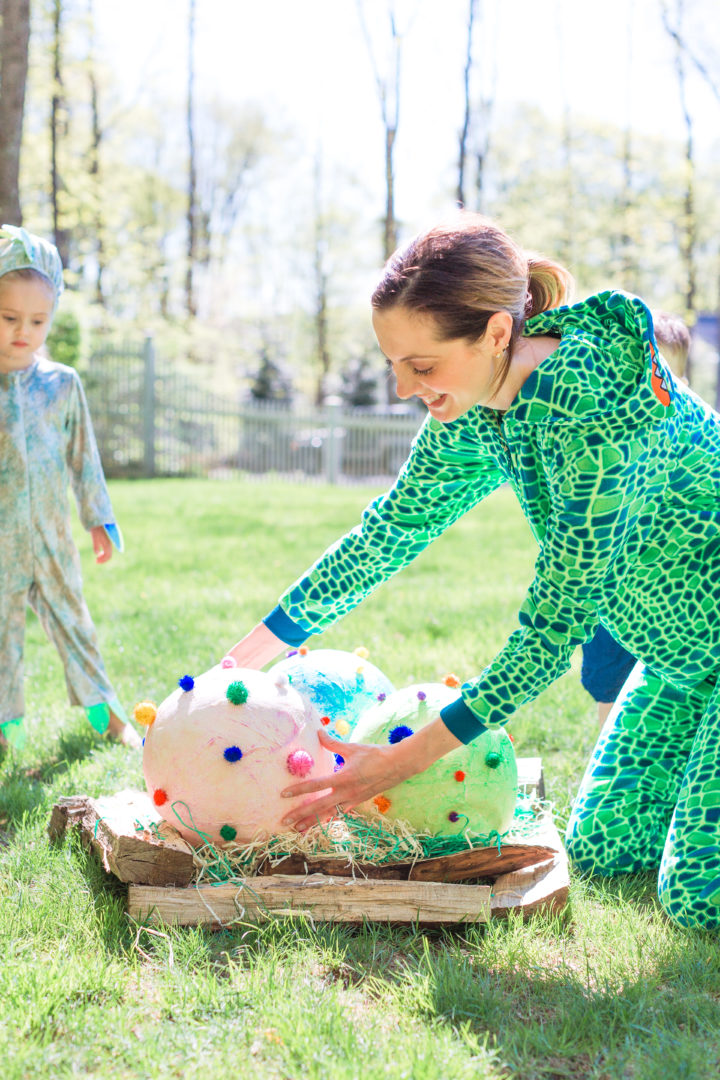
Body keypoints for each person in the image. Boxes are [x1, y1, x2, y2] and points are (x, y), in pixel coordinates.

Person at [225, 213, 720, 929]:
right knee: (606, 852)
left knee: (699, 901)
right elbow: (386, 535)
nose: (403, 388)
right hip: (681, 662)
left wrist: (398, 761)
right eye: (395, 363)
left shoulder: (591, 409)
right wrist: (236, 664)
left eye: (421, 366)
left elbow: (554, 628)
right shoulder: (477, 407)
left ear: (494, 333)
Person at [0, 225, 140, 751]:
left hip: (53, 536)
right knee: (1, 638)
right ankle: (4, 727)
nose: (23, 331)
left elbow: (84, 459)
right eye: (9, 318)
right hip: (1, 543)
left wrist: (98, 518)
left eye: (37, 320)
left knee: (75, 623)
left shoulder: (61, 384)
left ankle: (107, 716)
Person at [579, 311, 692, 727]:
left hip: (669, 586)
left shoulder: (691, 433)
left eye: (671, 377)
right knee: (609, 682)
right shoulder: (603, 431)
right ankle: (606, 763)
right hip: (610, 588)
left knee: (671, 688)